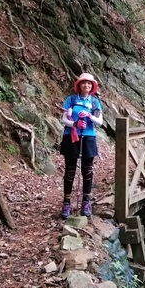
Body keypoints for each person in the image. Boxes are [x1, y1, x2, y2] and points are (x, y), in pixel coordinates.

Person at [59, 72, 103, 218]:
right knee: (70, 170)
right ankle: (66, 203)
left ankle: (86, 202)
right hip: (71, 137)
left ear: (92, 86)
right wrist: (75, 123)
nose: (86, 85)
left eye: (89, 83)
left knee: (87, 170)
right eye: (84, 83)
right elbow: (64, 119)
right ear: (79, 85)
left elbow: (100, 122)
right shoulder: (71, 100)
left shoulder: (95, 102)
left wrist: (90, 116)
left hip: (89, 137)